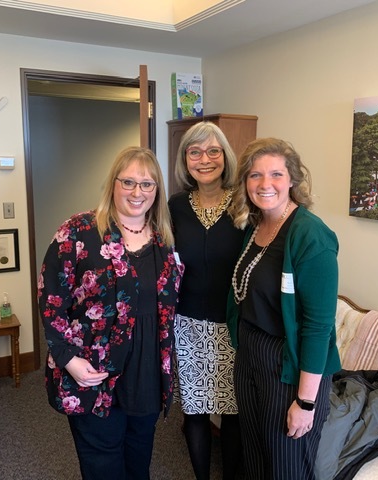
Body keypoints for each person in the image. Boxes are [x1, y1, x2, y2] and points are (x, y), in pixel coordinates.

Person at [37, 146, 184, 480]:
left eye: (147, 184)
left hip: (146, 371)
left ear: (157, 189)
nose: (137, 192)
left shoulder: (166, 237)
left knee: (138, 459)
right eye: (128, 182)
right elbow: (51, 299)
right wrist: (68, 359)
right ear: (113, 184)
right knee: (102, 464)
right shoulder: (78, 230)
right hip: (92, 370)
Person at [227, 137, 341, 479]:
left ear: (292, 179)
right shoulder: (256, 225)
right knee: (255, 459)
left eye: (276, 174)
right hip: (251, 353)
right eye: (255, 175)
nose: (265, 184)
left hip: (288, 363)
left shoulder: (311, 236)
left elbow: (318, 328)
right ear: (245, 182)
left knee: (286, 468)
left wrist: (305, 402)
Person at [168, 121, 245, 480]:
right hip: (187, 326)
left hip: (233, 326)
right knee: (195, 412)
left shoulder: (244, 204)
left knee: (233, 414)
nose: (205, 160)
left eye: (214, 151)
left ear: (225, 156)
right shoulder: (175, 206)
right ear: (185, 159)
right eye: (195, 152)